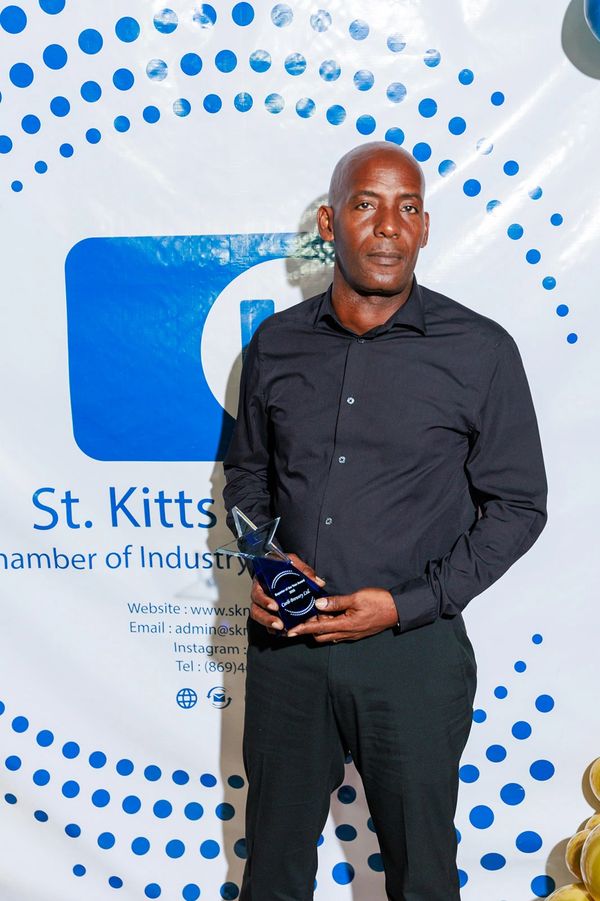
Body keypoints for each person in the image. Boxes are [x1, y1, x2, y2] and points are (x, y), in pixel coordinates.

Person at [222, 142, 547, 901]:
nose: (388, 226)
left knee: (423, 875)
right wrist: (264, 562)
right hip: (288, 649)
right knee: (272, 873)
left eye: (408, 208)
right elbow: (246, 479)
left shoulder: (480, 350)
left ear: (425, 227)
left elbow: (519, 506)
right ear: (330, 223)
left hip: (413, 655)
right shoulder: (276, 344)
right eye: (367, 204)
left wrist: (406, 603)